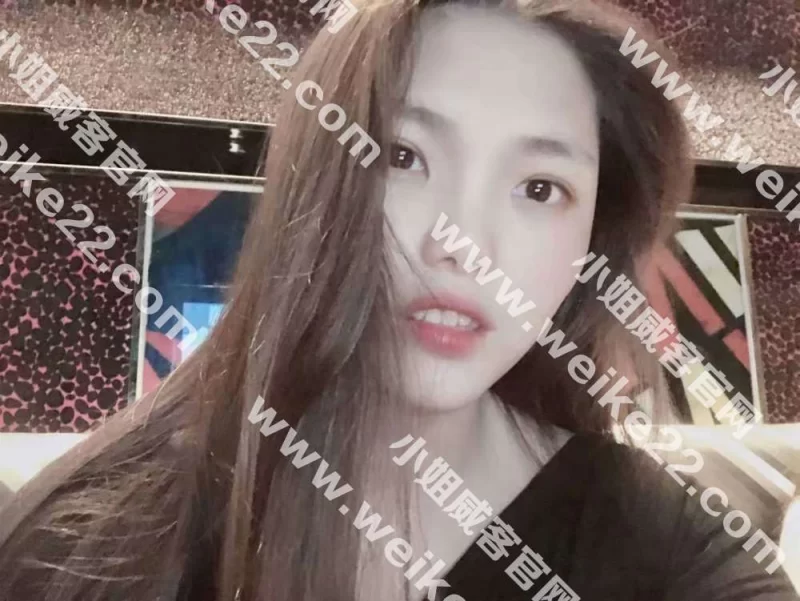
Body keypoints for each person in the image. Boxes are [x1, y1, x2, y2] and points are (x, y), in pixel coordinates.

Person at [0, 0, 797, 600]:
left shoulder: (671, 553)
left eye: (539, 187)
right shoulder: (91, 541)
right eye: (404, 156)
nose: (466, 242)